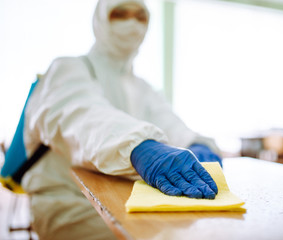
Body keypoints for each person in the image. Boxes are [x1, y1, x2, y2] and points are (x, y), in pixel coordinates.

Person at [22, 0, 222, 239]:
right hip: (69, 204)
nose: (132, 23)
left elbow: (167, 121)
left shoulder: (142, 87)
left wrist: (194, 144)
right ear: (100, 19)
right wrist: (139, 146)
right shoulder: (68, 68)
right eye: (120, 14)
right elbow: (80, 114)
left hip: (124, 199)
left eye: (140, 16)